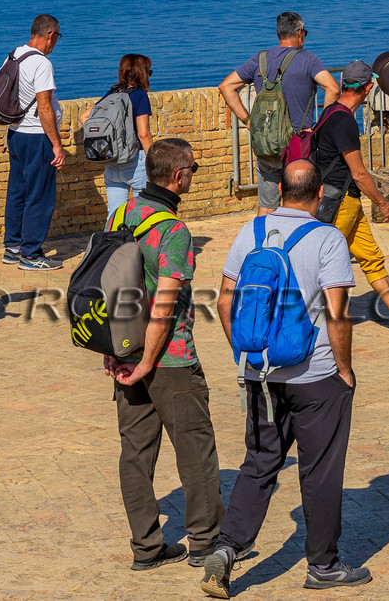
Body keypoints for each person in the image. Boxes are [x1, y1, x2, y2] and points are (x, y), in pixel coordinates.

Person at [201, 161, 369, 596]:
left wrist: (245, 355)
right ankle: (323, 566)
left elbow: (224, 301)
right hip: (314, 375)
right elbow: (337, 313)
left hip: (260, 373)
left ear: (278, 189)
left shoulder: (251, 232)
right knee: (319, 470)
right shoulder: (327, 238)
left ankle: (227, 548)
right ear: (320, 194)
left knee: (259, 462)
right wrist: (344, 369)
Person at [103, 138, 224, 573]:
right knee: (195, 452)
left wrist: (115, 350)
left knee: (135, 455)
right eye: (193, 168)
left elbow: (108, 286)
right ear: (178, 176)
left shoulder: (121, 214)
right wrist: (148, 363)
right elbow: (164, 307)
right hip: (169, 361)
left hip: (124, 352)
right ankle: (205, 543)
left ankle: (146, 547)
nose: (193, 174)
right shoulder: (173, 231)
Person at [311, 60, 389, 334]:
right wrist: (382, 203)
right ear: (367, 89)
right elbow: (359, 174)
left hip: (347, 203)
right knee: (323, 263)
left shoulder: (330, 111)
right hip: (340, 204)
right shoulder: (344, 121)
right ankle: (304, 320)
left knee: (371, 258)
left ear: (342, 84)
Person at [218, 11, 339, 216]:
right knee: (301, 204)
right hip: (298, 144)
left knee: (267, 205)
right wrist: (320, 128)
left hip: (267, 144)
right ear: (300, 32)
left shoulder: (260, 59)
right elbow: (333, 89)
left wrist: (248, 121)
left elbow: (226, 86)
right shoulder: (308, 59)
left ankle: (263, 236)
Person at [3, 14, 65, 270]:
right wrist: (56, 145)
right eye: (57, 37)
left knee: (17, 192)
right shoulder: (41, 63)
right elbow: (44, 108)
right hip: (37, 137)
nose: (56, 43)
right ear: (50, 35)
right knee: (39, 196)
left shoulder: (14, 55)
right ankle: (31, 254)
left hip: (15, 133)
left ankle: (13, 248)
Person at [100, 53, 154, 217]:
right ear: (142, 74)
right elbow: (143, 134)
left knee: (114, 214)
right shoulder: (140, 95)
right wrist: (154, 162)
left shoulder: (112, 93)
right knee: (142, 212)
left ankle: (112, 235)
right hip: (135, 161)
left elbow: (84, 117)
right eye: (149, 72)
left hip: (113, 161)